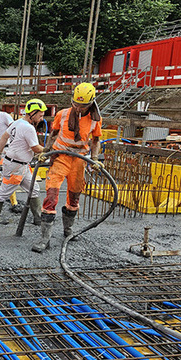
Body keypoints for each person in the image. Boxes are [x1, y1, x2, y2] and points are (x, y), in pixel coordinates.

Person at [33, 82, 103, 253]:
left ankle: (68, 230)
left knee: (74, 196)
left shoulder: (95, 119)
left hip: (79, 160)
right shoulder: (63, 114)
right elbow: (54, 134)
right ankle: (45, 238)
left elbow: (95, 140)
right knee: (51, 194)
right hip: (61, 157)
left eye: (82, 105)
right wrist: (46, 151)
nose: (78, 108)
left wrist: (94, 159)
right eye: (75, 104)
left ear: (91, 103)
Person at [0, 98, 47, 221]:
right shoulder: (29, 128)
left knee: (34, 189)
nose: (42, 119)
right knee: (4, 191)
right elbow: (36, 148)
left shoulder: (18, 122)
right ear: (33, 113)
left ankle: (38, 218)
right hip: (15, 167)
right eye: (40, 115)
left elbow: (4, 137)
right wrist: (48, 150)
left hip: (21, 165)